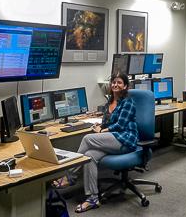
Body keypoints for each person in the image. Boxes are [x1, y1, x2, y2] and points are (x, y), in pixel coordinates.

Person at [52, 72, 138, 213]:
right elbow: (105, 123)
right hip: (112, 139)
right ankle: (92, 198)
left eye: (119, 82)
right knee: (90, 156)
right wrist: (100, 127)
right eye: (113, 82)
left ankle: (71, 176)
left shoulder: (128, 102)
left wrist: (101, 131)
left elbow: (121, 125)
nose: (115, 84)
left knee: (87, 138)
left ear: (125, 86)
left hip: (125, 139)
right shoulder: (109, 102)